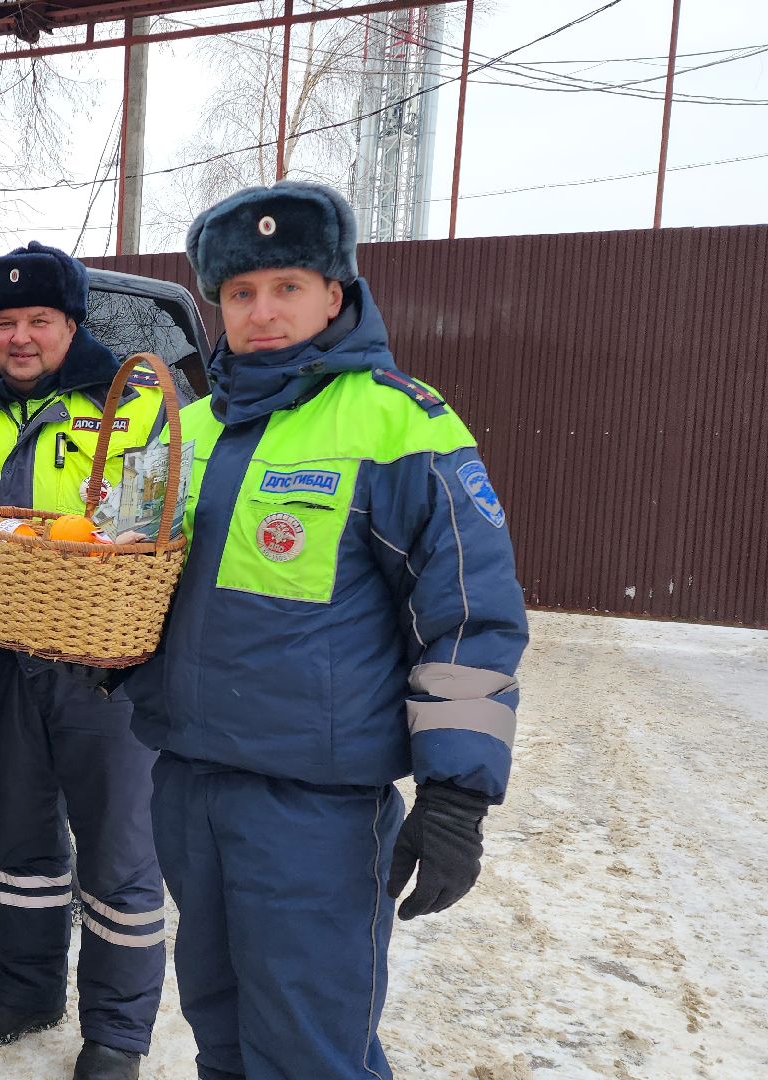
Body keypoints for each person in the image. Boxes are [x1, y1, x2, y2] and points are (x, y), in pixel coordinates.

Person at [136, 181, 528, 1079]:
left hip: (312, 809)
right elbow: (142, 586)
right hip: (190, 783)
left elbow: (471, 617)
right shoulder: (186, 430)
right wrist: (110, 658)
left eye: (286, 287)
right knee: (220, 1026)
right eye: (240, 293)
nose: (262, 311)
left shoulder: (401, 422)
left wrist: (457, 793)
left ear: (335, 293)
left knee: (312, 1048)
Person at [0, 241, 168, 1080]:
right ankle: (26, 990)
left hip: (100, 663)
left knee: (118, 850)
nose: (20, 337)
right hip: (0, 653)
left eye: (39, 319)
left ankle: (117, 1032)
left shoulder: (134, 405)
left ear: (72, 323)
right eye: (4, 322)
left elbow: (165, 514)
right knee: (15, 837)